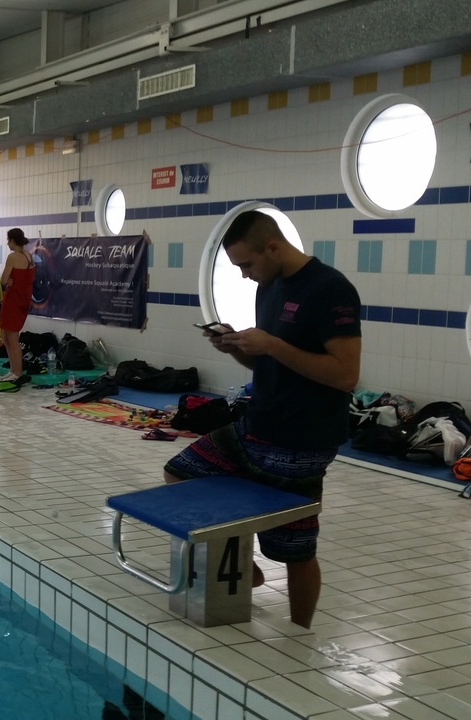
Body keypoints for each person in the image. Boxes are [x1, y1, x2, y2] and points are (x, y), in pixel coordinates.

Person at [162, 210, 361, 629]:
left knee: (293, 548)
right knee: (180, 471)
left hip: (302, 439)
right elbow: (269, 364)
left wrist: (272, 345)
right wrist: (235, 346)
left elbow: (345, 375)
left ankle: (301, 632)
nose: (245, 275)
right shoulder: (268, 286)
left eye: (247, 264)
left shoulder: (330, 289)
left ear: (273, 247)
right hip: (257, 425)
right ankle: (242, 566)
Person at [0, 228, 34, 384]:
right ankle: (13, 370)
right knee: (5, 336)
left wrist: (9, 281)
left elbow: (4, 280)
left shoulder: (13, 257)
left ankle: (18, 373)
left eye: (8, 241)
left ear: (13, 240)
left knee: (13, 338)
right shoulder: (29, 256)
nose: (7, 244)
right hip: (23, 299)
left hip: (14, 299)